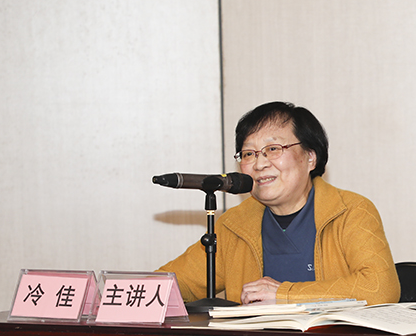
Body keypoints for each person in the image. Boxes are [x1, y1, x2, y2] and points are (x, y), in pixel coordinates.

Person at [157, 101, 400, 305]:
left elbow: (380, 288)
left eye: (273, 149)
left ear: (310, 157)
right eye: (249, 154)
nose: (260, 164)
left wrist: (284, 294)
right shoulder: (234, 224)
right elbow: (175, 284)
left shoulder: (351, 211)